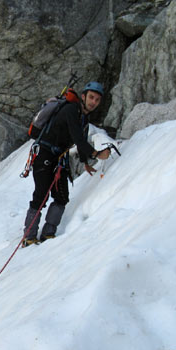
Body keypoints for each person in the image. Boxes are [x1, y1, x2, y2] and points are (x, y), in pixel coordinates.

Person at [22, 81, 111, 247]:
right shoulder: (71, 110)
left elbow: (80, 140)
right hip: (44, 153)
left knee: (62, 196)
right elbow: (77, 138)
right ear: (83, 96)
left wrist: (85, 162)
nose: (93, 102)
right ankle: (29, 236)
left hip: (59, 157)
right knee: (41, 194)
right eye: (91, 97)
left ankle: (49, 233)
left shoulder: (83, 118)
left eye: (97, 100)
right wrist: (97, 154)